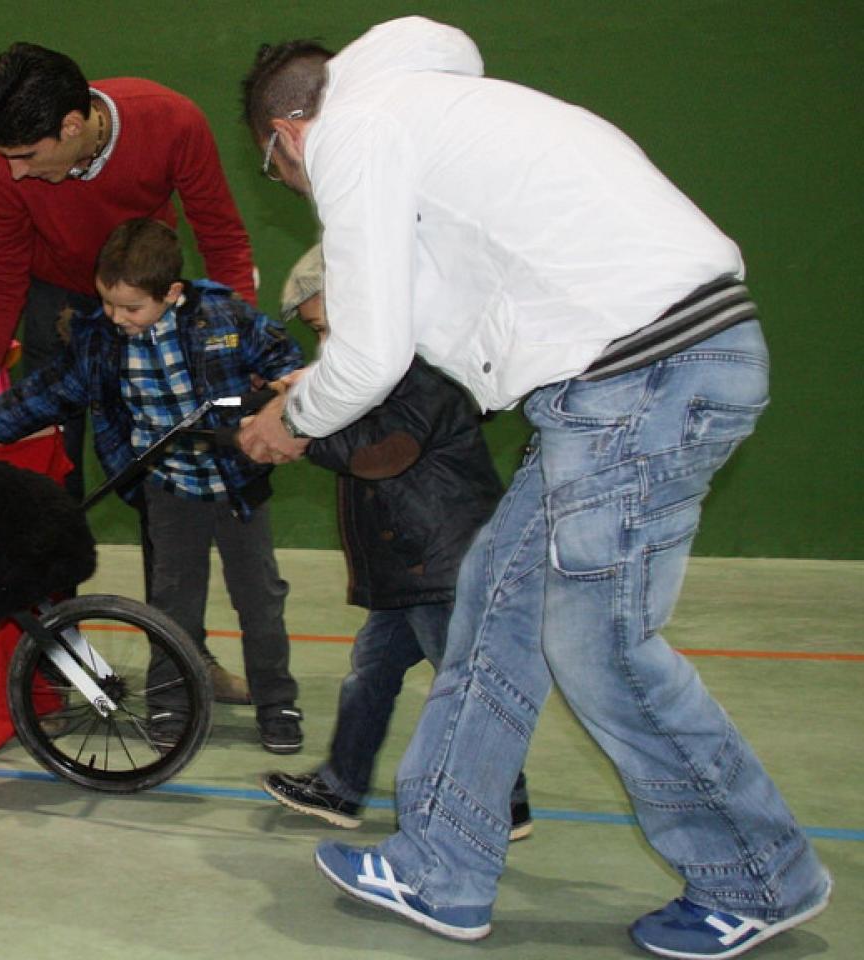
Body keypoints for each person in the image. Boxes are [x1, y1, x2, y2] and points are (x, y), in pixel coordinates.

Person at [236, 17, 830, 957]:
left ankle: (756, 875)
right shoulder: (436, 115)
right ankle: (443, 865)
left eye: (279, 174)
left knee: (604, 652)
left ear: (289, 135)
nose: (299, 191)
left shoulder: (357, 128)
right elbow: (412, 334)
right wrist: (314, 391)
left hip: (641, 377)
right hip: (633, 378)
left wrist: (293, 422)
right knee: (495, 611)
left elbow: (377, 350)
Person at [0, 41, 262, 703]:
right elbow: (2, 273)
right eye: (7, 160)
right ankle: (58, 669)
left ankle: (181, 661)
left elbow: (223, 241)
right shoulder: (1, 162)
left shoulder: (171, 122)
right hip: (55, 313)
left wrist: (237, 353)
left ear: (74, 127)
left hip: (144, 314)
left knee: (167, 501)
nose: (16, 175)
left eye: (28, 157)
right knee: (52, 493)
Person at [0, 218, 305, 754]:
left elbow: (284, 360)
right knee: (170, 605)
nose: (117, 318)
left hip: (237, 486)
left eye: (131, 308)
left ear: (173, 293)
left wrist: (282, 387)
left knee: (260, 601)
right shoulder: (100, 341)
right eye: (109, 304)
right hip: (168, 488)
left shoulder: (224, 317)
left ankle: (277, 704)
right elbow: (46, 392)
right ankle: (169, 703)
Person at [259, 246, 531, 839]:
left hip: (441, 562)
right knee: (372, 673)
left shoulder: (422, 367)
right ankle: (342, 786)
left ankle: (503, 802)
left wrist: (300, 430)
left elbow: (383, 455)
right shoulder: (381, 369)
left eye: (328, 325)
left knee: (461, 680)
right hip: (407, 563)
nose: (326, 343)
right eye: (317, 333)